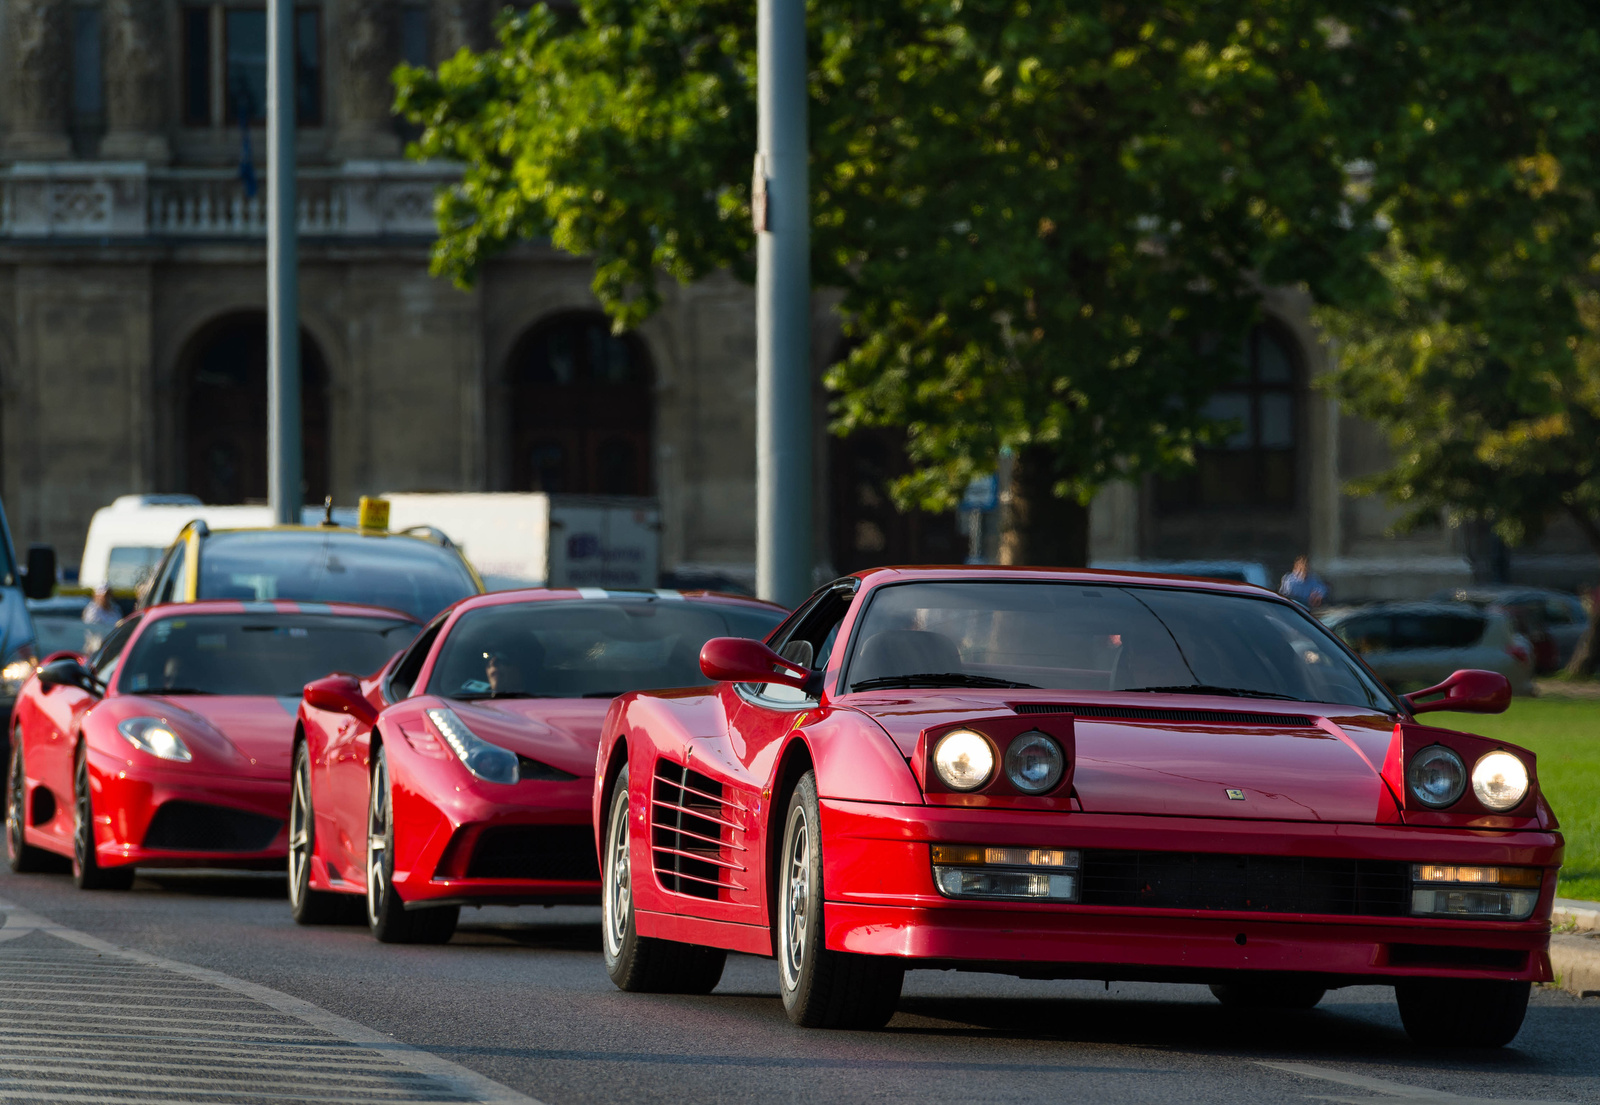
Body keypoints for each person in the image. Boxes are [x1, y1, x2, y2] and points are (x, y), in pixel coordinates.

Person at [81, 584, 121, 653]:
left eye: (108, 594)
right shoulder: (92, 611)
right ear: (96, 595)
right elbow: (93, 629)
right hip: (96, 650)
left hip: (113, 646)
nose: (106, 598)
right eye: (104, 595)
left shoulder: (115, 609)